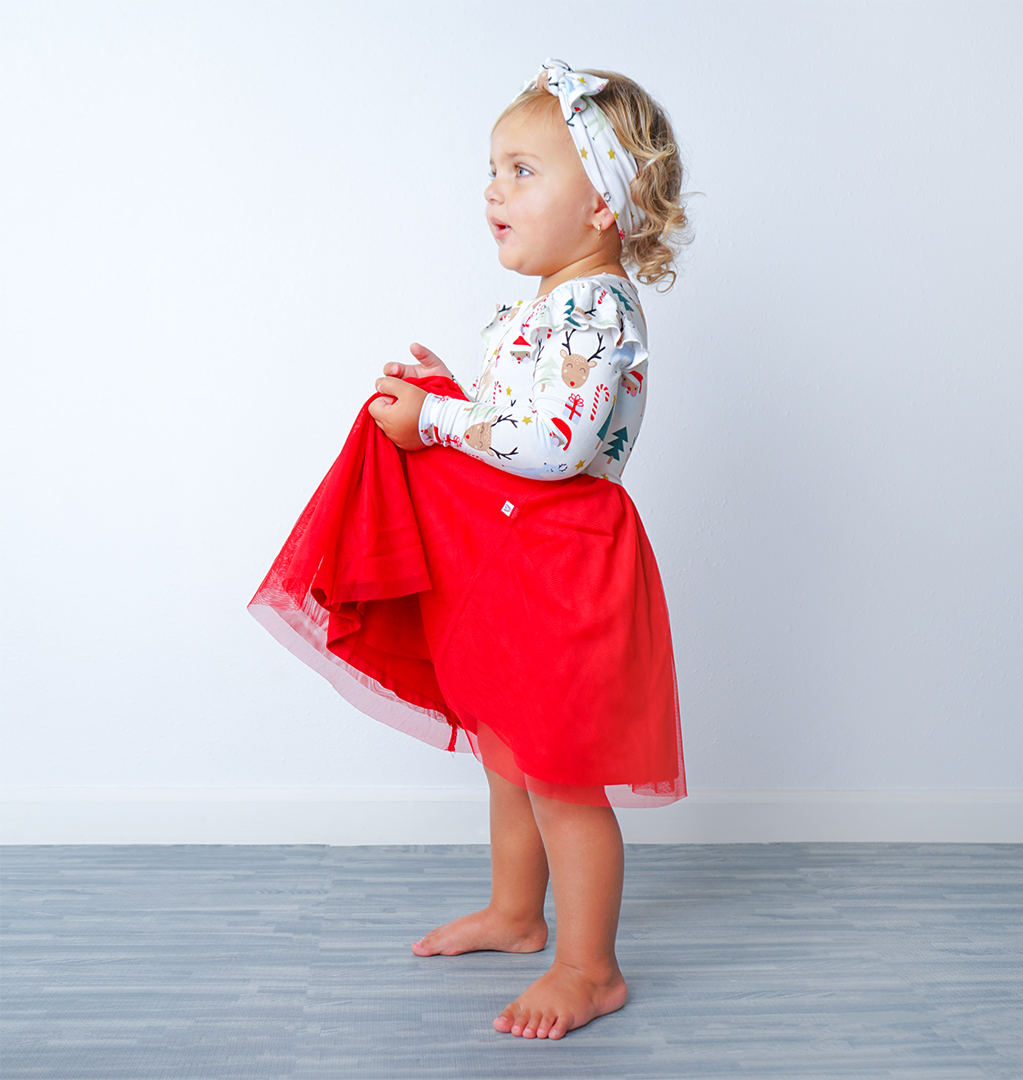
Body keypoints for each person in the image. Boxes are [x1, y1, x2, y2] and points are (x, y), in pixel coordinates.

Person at [249, 59, 690, 1040]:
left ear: (603, 206)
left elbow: (558, 444)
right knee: (506, 749)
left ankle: (591, 968)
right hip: (516, 553)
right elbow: (520, 416)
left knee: (561, 773)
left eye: (524, 170)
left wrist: (439, 420)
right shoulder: (545, 305)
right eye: (493, 168)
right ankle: (515, 912)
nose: (495, 188)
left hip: (566, 557)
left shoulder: (598, 306)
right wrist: (457, 395)